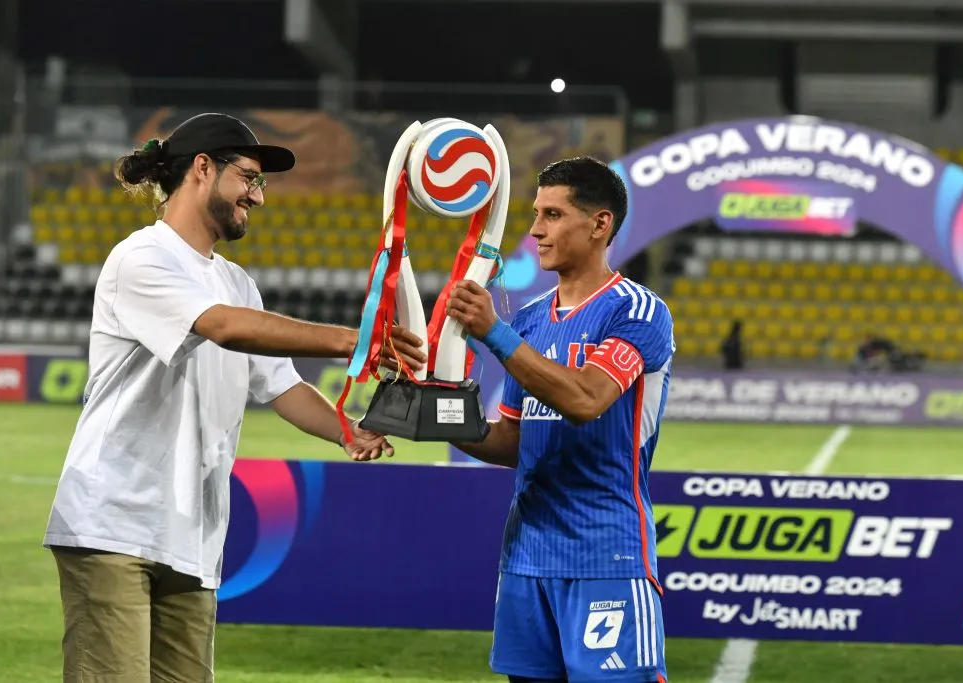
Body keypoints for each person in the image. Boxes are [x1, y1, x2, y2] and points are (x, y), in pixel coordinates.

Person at [41, 112, 426, 683]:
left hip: (193, 536)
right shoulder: (141, 257)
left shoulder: (237, 281)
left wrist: (346, 430)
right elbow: (221, 327)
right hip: (113, 524)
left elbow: (282, 385)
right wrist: (354, 340)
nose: (258, 196)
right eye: (249, 177)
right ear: (202, 168)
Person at [446, 156, 674, 683]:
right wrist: (435, 415)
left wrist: (496, 334)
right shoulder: (529, 320)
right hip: (526, 556)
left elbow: (587, 399)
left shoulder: (637, 311)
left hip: (608, 554)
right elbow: (509, 440)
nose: (535, 229)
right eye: (535, 213)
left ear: (600, 224)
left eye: (552, 214)